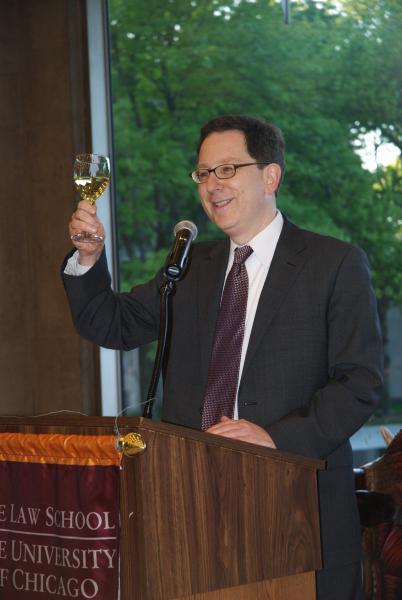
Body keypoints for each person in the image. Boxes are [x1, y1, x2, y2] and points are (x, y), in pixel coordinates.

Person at [62, 115, 383, 599]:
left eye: (228, 170)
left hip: (294, 508)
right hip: (191, 505)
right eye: (204, 174)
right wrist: (88, 258)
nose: (212, 186)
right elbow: (113, 323)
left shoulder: (333, 263)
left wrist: (273, 438)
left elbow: (359, 383)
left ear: (270, 176)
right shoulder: (188, 266)